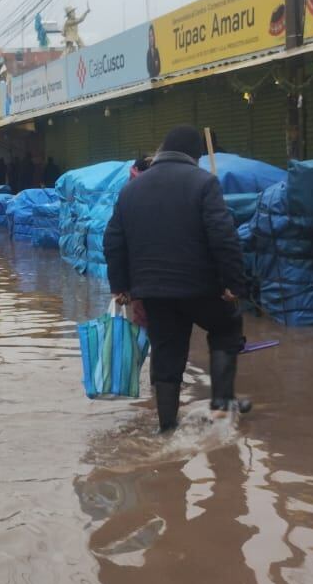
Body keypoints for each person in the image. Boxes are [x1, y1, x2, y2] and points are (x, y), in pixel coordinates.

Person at [103, 126, 251, 433]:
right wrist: (233, 284)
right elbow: (223, 237)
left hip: (154, 292)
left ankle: (167, 427)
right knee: (226, 328)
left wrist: (121, 286)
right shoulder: (204, 182)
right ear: (194, 154)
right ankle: (222, 407)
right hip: (201, 288)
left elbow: (113, 240)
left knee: (167, 351)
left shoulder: (131, 189)